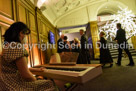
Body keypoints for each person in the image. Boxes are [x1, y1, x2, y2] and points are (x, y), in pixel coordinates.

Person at [0, 22, 56, 90]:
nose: (26, 37)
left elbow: (17, 68)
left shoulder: (7, 46)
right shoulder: (17, 46)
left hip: (5, 84)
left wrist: (36, 69)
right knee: (49, 83)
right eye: (26, 34)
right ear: (21, 33)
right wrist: (36, 79)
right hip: (15, 85)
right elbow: (26, 76)